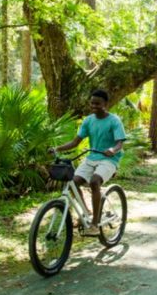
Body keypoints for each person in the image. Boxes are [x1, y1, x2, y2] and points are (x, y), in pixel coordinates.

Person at [53, 89, 126, 235]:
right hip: (91, 158)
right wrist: (57, 148)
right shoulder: (88, 120)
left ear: (105, 103)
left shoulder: (114, 121)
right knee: (73, 182)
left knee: (94, 182)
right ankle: (86, 212)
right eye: (92, 103)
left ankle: (94, 224)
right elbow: (75, 142)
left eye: (97, 103)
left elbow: (120, 144)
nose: (94, 106)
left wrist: (112, 150)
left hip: (109, 159)